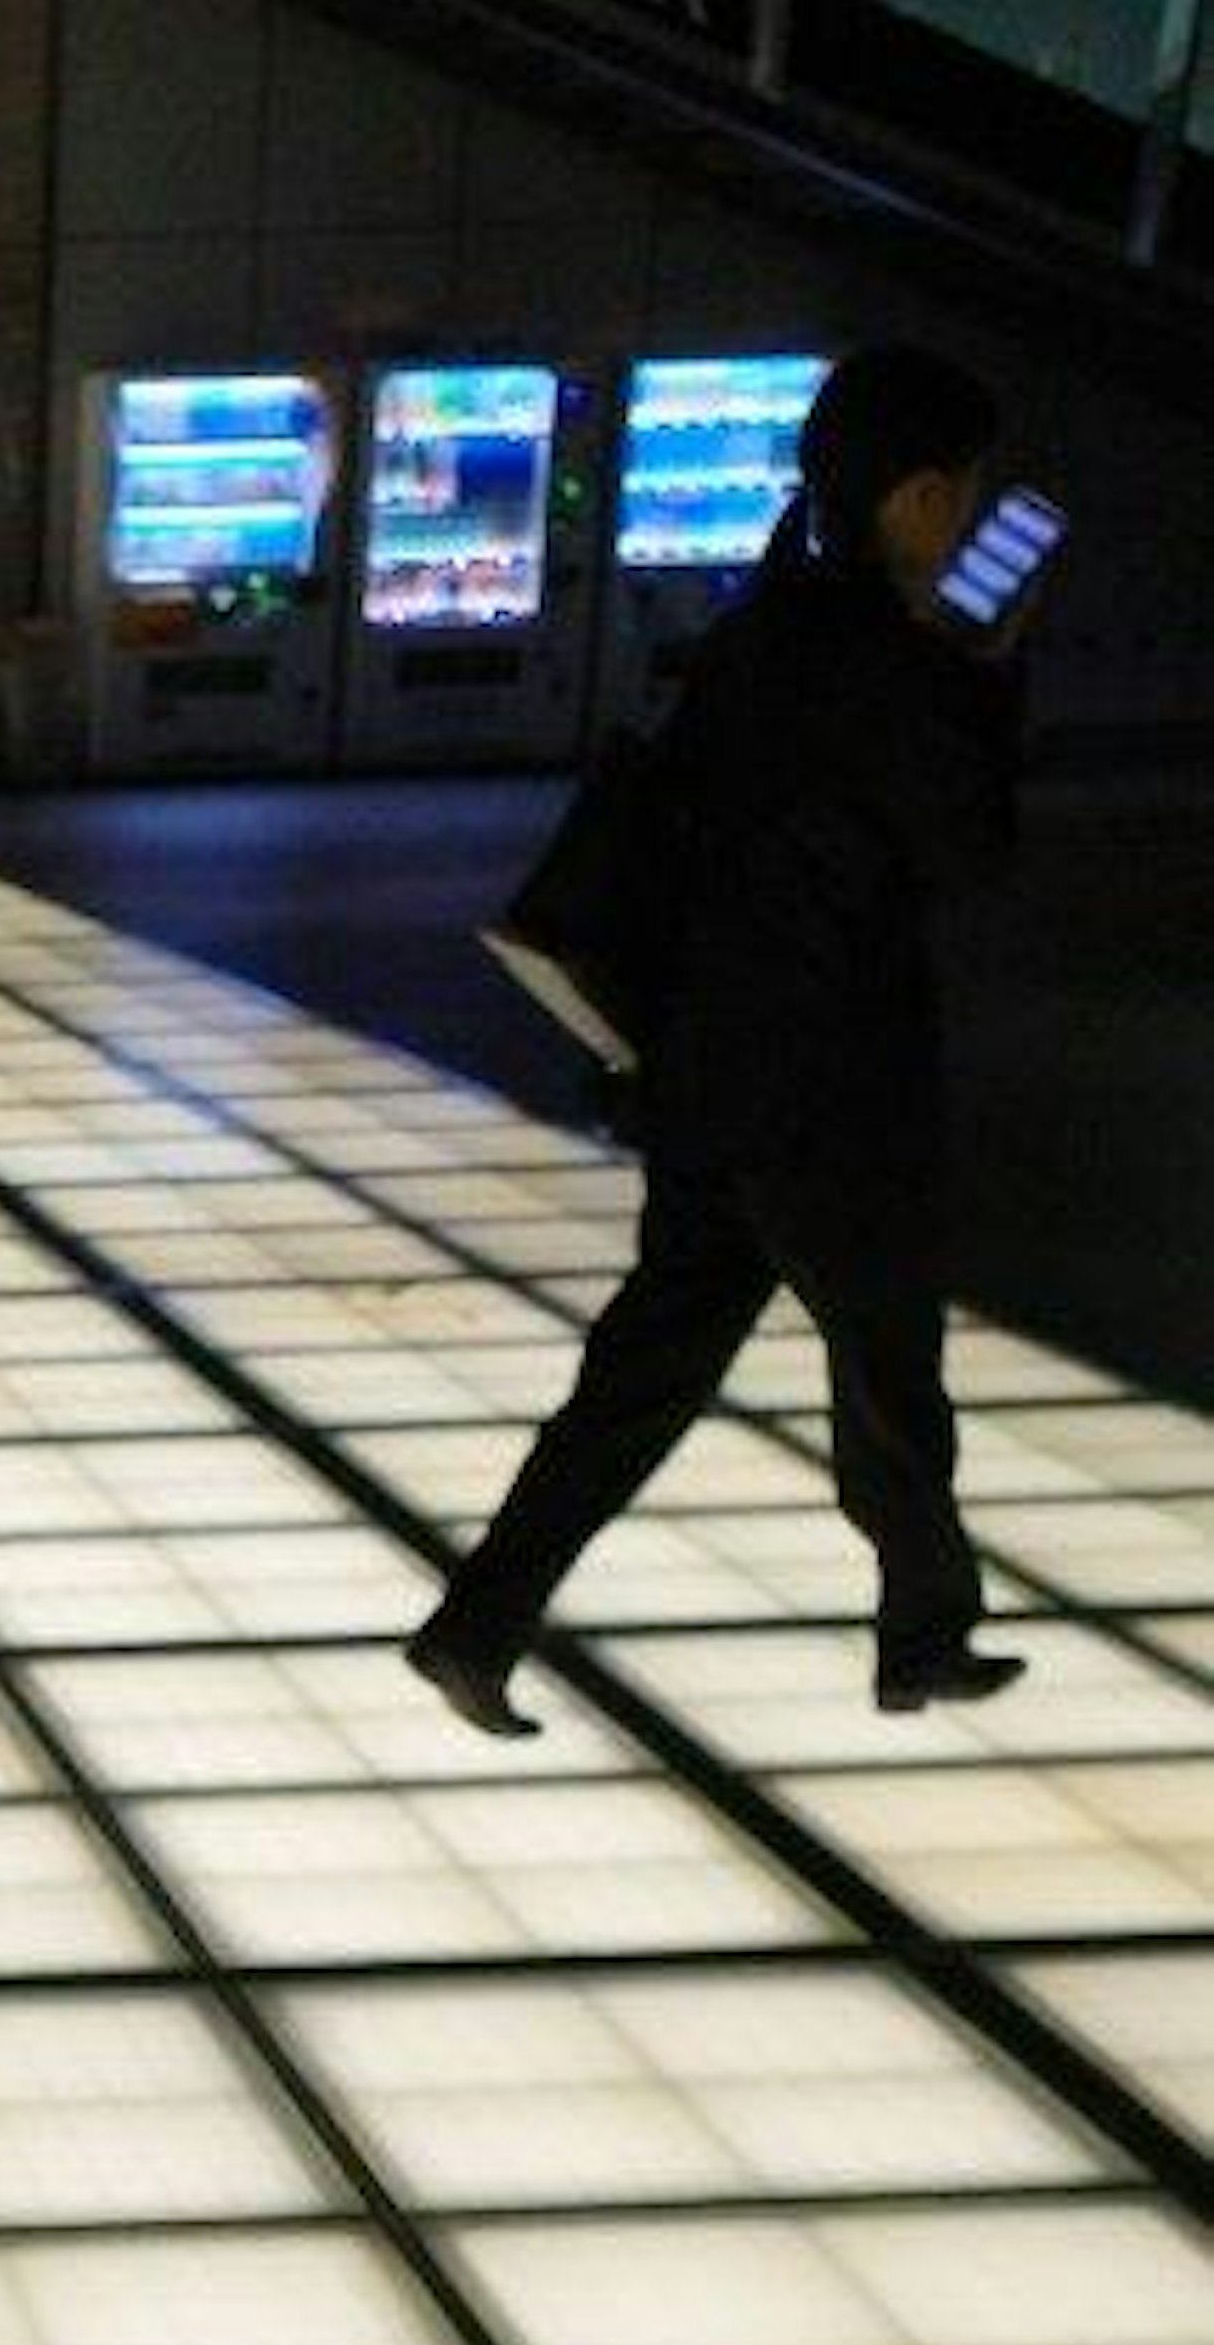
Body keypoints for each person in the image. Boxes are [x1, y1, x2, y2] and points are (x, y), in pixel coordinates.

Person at [408, 343, 1032, 1740]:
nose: (973, 518)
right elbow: (974, 858)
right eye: (966, 491)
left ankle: (480, 1619)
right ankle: (923, 1638)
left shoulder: (761, 633)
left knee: (640, 1381)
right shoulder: (894, 665)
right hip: (832, 1101)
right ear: (920, 499)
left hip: (708, 1081)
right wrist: (989, 677)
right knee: (886, 1378)